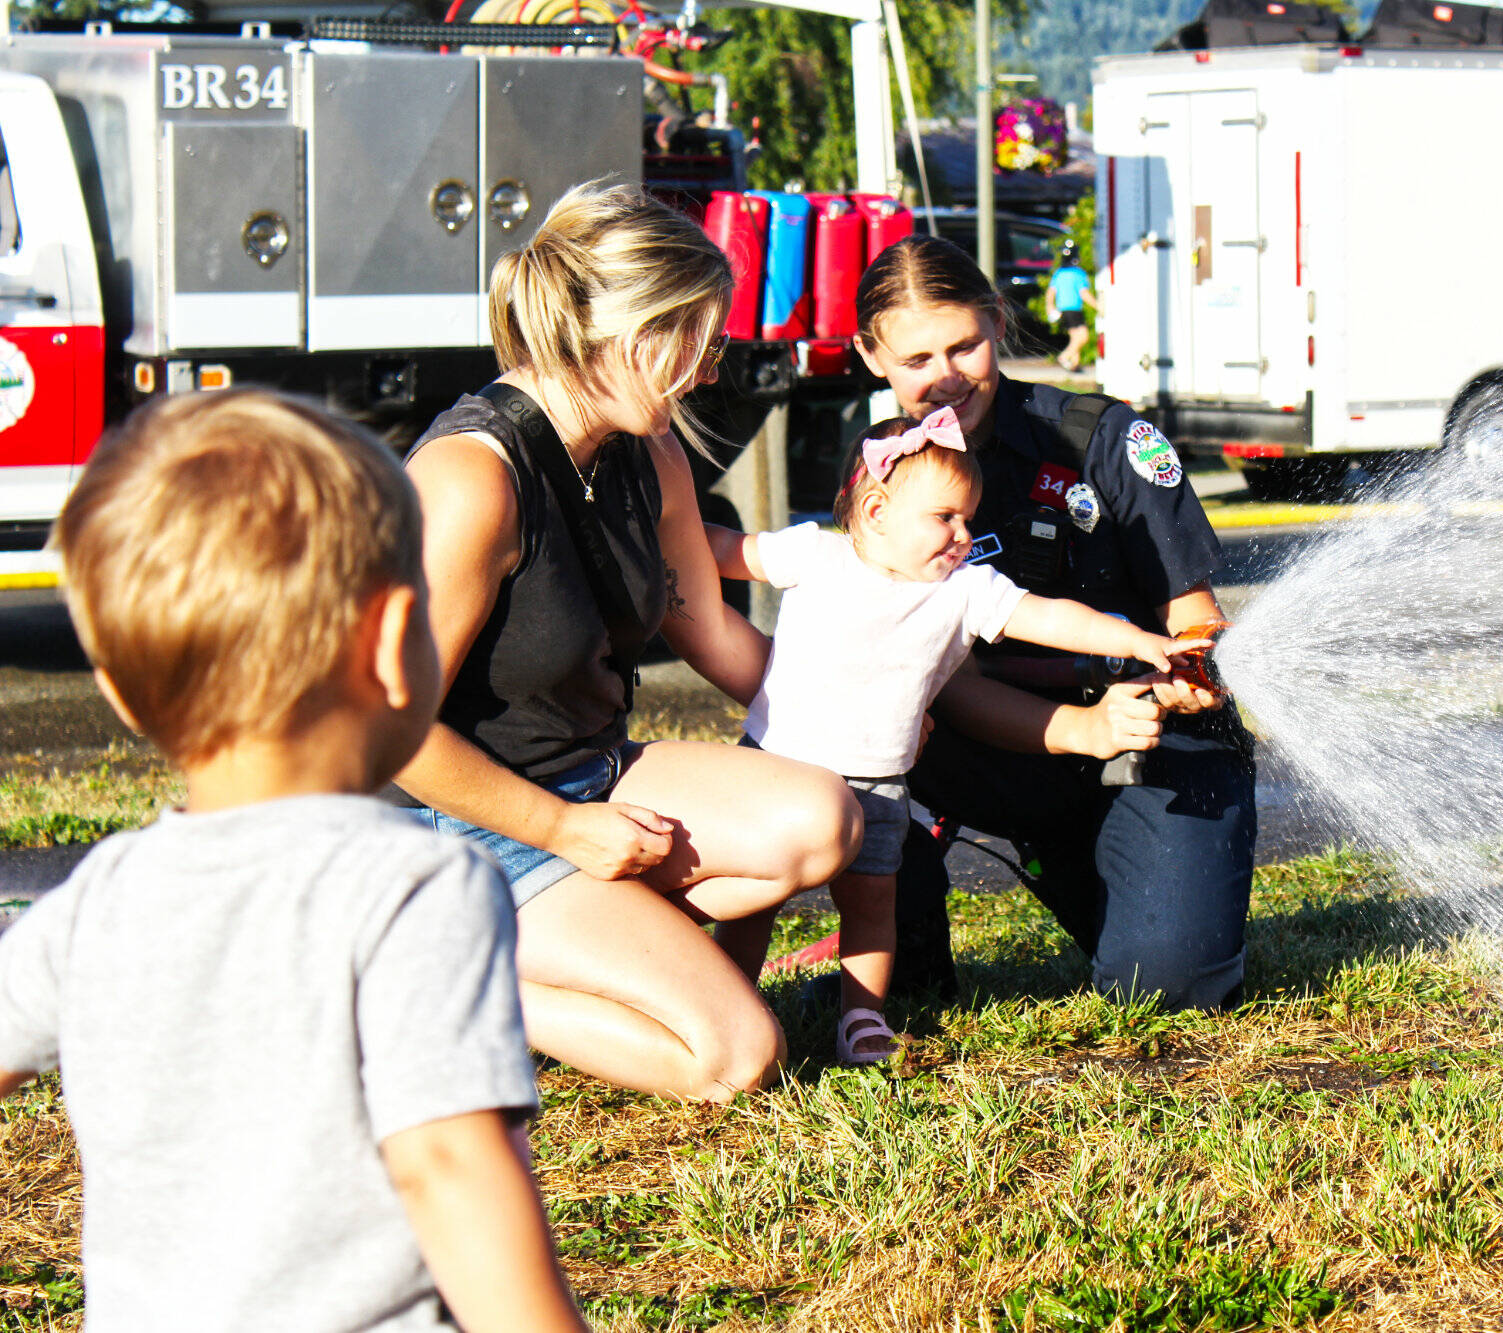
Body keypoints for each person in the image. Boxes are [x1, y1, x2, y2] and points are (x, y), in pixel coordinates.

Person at [0, 390, 586, 1332]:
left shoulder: (95, 899)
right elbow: (449, 1165)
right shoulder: (418, 892)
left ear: (116, 691)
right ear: (400, 645)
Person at [394, 181, 862, 1103]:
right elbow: (386, 729)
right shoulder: (470, 476)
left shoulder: (651, 454)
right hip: (460, 827)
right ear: (633, 332)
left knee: (824, 818)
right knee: (735, 1055)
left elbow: (715, 635)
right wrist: (568, 832)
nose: (713, 368)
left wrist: (869, 718)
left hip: (592, 775)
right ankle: (449, 976)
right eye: (703, 340)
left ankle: (596, 943)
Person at [707, 405, 1203, 1063]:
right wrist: (653, 526)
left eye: (968, 518)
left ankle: (862, 1016)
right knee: (751, 900)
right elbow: (720, 550)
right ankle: (727, 999)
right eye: (945, 518)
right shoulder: (814, 553)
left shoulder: (965, 590)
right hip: (772, 766)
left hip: (876, 782)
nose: (963, 533)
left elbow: (1053, 618)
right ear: (878, 511)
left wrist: (1140, 638)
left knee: (871, 907)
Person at [852, 235, 1257, 1012]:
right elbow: (933, 673)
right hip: (1000, 739)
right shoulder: (877, 467)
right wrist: (1084, 729)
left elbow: (1196, 621)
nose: (944, 378)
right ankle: (907, 973)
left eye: (964, 345)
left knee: (1165, 986)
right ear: (873, 356)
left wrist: (1183, 682)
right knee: (843, 726)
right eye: (914, 360)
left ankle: (1084, 855)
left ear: (998, 322)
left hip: (1149, 739)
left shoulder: (1100, 439)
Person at [1046, 240, 1097, 373]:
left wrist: (1050, 307)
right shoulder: (1079, 274)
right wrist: (1097, 306)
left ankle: (1075, 365)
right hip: (1074, 309)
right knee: (1083, 336)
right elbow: (1084, 293)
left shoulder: (1058, 273)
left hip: (1063, 309)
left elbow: (1051, 292)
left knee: (1075, 337)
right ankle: (1064, 356)